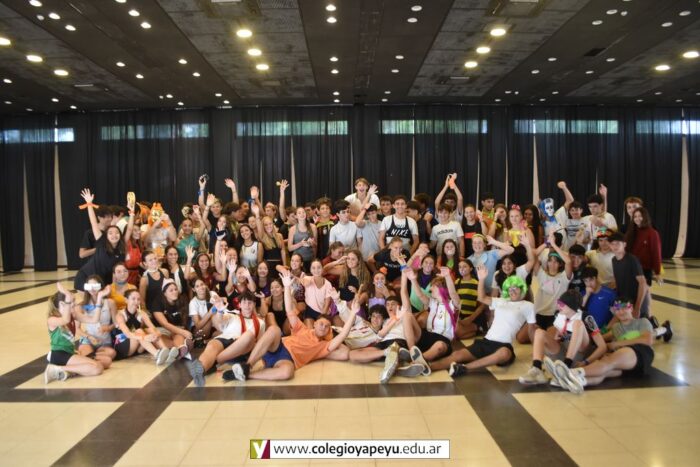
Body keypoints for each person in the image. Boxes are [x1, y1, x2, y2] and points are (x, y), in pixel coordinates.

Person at [223, 270, 358, 381]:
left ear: (329, 331)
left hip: (287, 359)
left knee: (287, 372)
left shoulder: (323, 346)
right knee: (274, 329)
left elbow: (342, 336)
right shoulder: (303, 329)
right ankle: (248, 365)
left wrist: (353, 313)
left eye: (327, 326)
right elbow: (289, 310)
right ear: (315, 324)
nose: (323, 327)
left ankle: (247, 375)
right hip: (278, 347)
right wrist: (287, 286)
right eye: (321, 323)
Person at [437, 265, 537, 377]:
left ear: (522, 289)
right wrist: (481, 279)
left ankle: (464, 368)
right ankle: (428, 367)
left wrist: (535, 350)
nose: (512, 291)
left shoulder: (528, 306)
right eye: (510, 289)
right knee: (458, 355)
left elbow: (531, 330)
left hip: (504, 346)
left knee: (504, 354)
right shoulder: (500, 301)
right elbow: (481, 298)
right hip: (486, 342)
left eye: (516, 288)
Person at [550, 297, 656, 394]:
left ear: (631, 308)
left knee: (608, 362)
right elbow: (598, 339)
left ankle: (570, 373)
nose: (621, 311)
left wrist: (616, 344)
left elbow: (647, 340)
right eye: (617, 309)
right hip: (628, 366)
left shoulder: (642, 322)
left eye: (624, 307)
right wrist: (572, 335)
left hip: (641, 352)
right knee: (605, 372)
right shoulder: (616, 327)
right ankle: (578, 381)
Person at [518, 289, 607, 385]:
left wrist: (586, 362)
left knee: (578, 323)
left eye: (561, 304)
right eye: (558, 302)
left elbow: (602, 347)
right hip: (564, 352)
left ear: (571, 306)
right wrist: (555, 338)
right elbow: (555, 336)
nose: (558, 306)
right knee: (539, 332)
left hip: (581, 354)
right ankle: (537, 369)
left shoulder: (586, 317)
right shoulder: (559, 315)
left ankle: (566, 367)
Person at [186, 290, 267, 387]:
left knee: (249, 335)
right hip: (224, 340)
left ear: (254, 304)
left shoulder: (260, 322)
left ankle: (212, 363)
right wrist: (220, 311)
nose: (247, 305)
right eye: (244, 302)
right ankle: (201, 369)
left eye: (250, 303)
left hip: (242, 347)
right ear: (240, 305)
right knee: (213, 345)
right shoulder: (233, 316)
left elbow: (260, 343)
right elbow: (220, 321)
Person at [401, 266, 461, 374]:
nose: (430, 289)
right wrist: (413, 279)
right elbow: (420, 295)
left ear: (440, 288)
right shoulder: (432, 302)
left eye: (433, 286)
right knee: (407, 316)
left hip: (442, 340)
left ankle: (416, 362)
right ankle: (412, 351)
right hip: (426, 335)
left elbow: (453, 294)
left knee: (439, 346)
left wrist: (447, 276)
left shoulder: (453, 304)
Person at [44, 283, 104, 384]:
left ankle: (67, 372)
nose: (74, 304)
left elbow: (94, 319)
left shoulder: (73, 315)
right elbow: (65, 320)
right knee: (97, 368)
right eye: (71, 301)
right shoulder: (52, 319)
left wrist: (99, 299)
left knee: (103, 363)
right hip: (59, 355)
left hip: (69, 353)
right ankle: (56, 369)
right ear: (62, 304)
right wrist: (67, 295)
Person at [74, 189, 131, 290]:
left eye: (117, 233)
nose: (114, 235)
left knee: (104, 297)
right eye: (110, 233)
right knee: (93, 297)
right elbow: (93, 222)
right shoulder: (101, 241)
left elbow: (129, 229)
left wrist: (132, 212)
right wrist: (89, 204)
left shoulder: (120, 246)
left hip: (103, 279)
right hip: (87, 276)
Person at [113, 290, 169, 363]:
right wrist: (144, 337)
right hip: (123, 345)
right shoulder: (120, 315)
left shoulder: (142, 313)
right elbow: (127, 334)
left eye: (138, 299)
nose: (136, 301)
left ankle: (166, 351)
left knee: (150, 330)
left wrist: (156, 334)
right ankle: (157, 354)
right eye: (133, 299)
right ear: (126, 300)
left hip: (137, 344)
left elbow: (153, 328)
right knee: (139, 331)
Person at [75, 276, 117, 368]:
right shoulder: (81, 306)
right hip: (88, 339)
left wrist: (108, 328)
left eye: (95, 286)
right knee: (89, 354)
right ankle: (90, 359)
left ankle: (88, 359)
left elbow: (116, 323)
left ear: (100, 286)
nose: (92, 289)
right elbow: (76, 329)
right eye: (90, 286)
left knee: (112, 353)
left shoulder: (110, 302)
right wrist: (89, 337)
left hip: (104, 341)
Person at [150, 279, 193, 364]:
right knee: (159, 338)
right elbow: (164, 324)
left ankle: (179, 349)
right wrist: (183, 332)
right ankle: (180, 349)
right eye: (171, 290)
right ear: (164, 293)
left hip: (177, 329)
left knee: (179, 336)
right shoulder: (157, 302)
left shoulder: (182, 299)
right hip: (162, 329)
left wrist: (182, 331)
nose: (174, 292)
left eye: (175, 289)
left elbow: (184, 321)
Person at [454, 259, 486, 339]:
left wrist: (470, 319)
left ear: (471, 269)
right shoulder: (457, 282)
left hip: (473, 317)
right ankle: (476, 331)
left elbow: (482, 305)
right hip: (460, 317)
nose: (462, 269)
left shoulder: (477, 283)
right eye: (460, 267)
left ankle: (478, 328)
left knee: (458, 333)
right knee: (455, 334)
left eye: (465, 266)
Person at [580, 266, 616, 331]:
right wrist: (587, 295)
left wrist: (607, 328)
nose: (589, 284)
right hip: (589, 332)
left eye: (591, 280)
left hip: (606, 331)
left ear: (596, 278)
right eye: (586, 281)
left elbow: (617, 314)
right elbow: (578, 311)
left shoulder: (609, 293)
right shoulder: (582, 294)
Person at [287, 205, 317, 270]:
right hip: (297, 261)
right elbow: (289, 248)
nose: (302, 214)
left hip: (310, 259)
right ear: (296, 216)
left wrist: (312, 243)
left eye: (303, 212)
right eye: (299, 213)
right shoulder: (292, 229)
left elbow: (315, 246)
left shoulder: (313, 227)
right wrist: (301, 244)